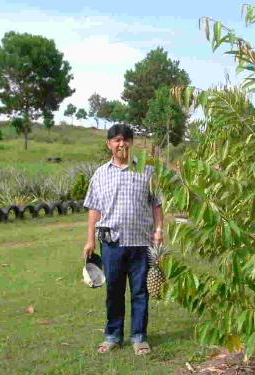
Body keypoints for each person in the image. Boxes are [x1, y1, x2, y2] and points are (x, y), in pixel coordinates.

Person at [82, 124, 163, 355]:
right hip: (112, 244)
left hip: (140, 243)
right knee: (114, 292)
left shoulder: (147, 171)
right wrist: (90, 240)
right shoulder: (100, 174)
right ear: (109, 144)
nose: (122, 144)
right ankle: (112, 336)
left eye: (126, 140)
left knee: (140, 292)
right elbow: (94, 209)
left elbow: (156, 204)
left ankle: (139, 337)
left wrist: (159, 230)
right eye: (117, 140)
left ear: (132, 142)